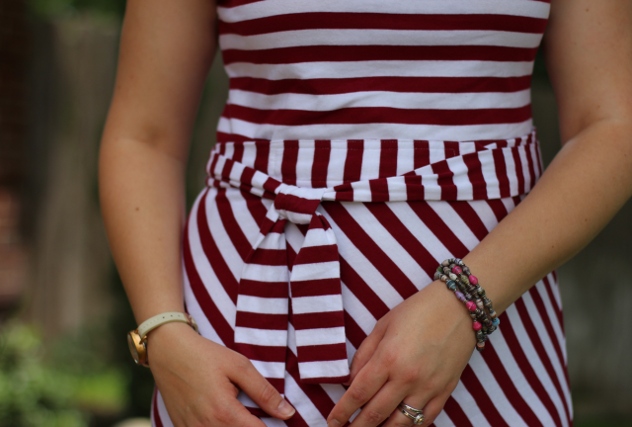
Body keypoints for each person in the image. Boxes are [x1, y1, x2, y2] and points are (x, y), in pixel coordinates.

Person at [99, 0, 632, 426]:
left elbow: (611, 124)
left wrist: (466, 303)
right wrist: (164, 336)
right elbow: (142, 137)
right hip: (238, 333)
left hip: (490, 330)